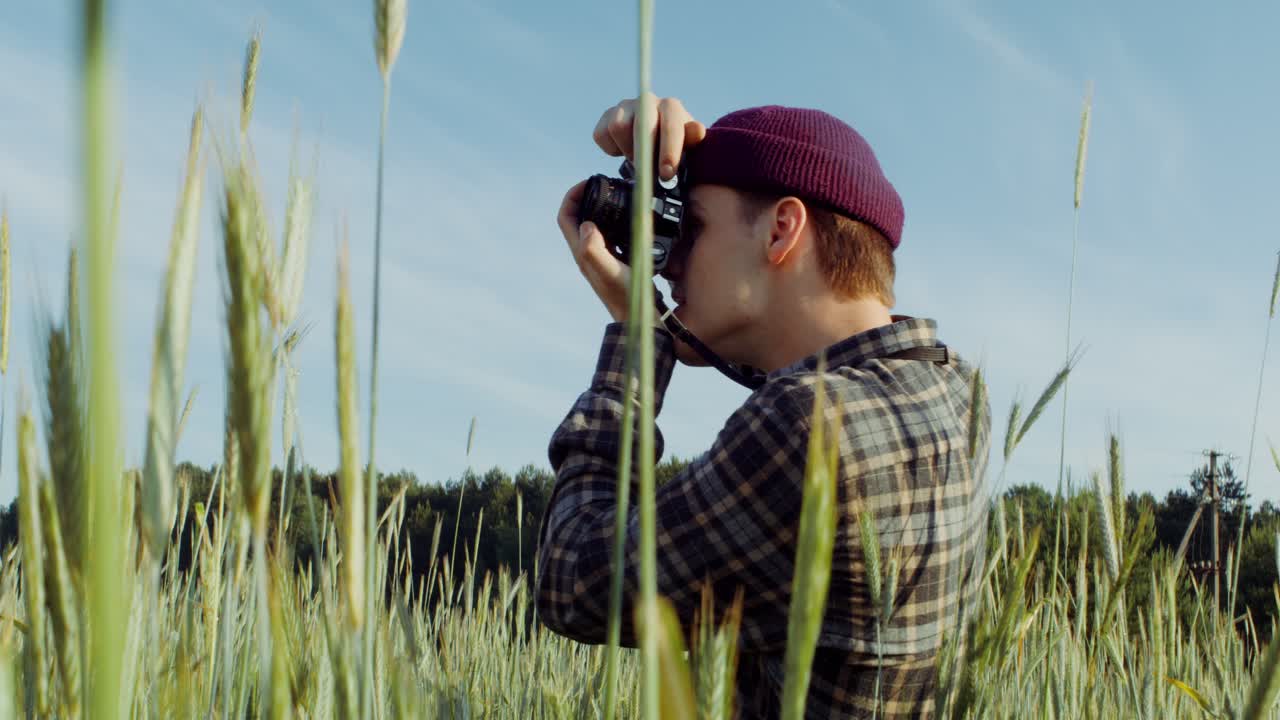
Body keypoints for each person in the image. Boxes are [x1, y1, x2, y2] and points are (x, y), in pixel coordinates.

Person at [534, 94, 992, 719]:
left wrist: (637, 342)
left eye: (689, 227)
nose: (668, 262)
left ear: (781, 229)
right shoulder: (955, 391)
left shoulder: (805, 429)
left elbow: (571, 581)